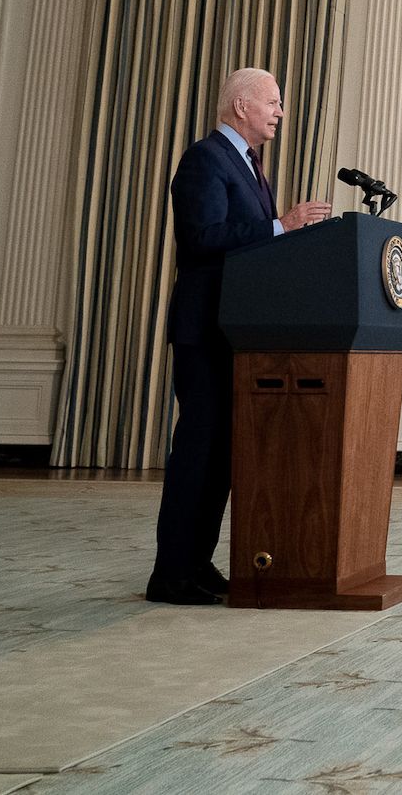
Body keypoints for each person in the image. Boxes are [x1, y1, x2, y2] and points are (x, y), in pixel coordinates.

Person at [149, 67, 333, 605]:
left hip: (236, 331)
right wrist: (281, 225)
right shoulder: (205, 158)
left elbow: (251, 249)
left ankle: (196, 565)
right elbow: (202, 237)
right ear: (241, 106)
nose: (280, 112)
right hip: (204, 331)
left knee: (222, 457)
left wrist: (293, 239)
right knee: (198, 454)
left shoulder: (250, 165)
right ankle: (170, 575)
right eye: (272, 102)